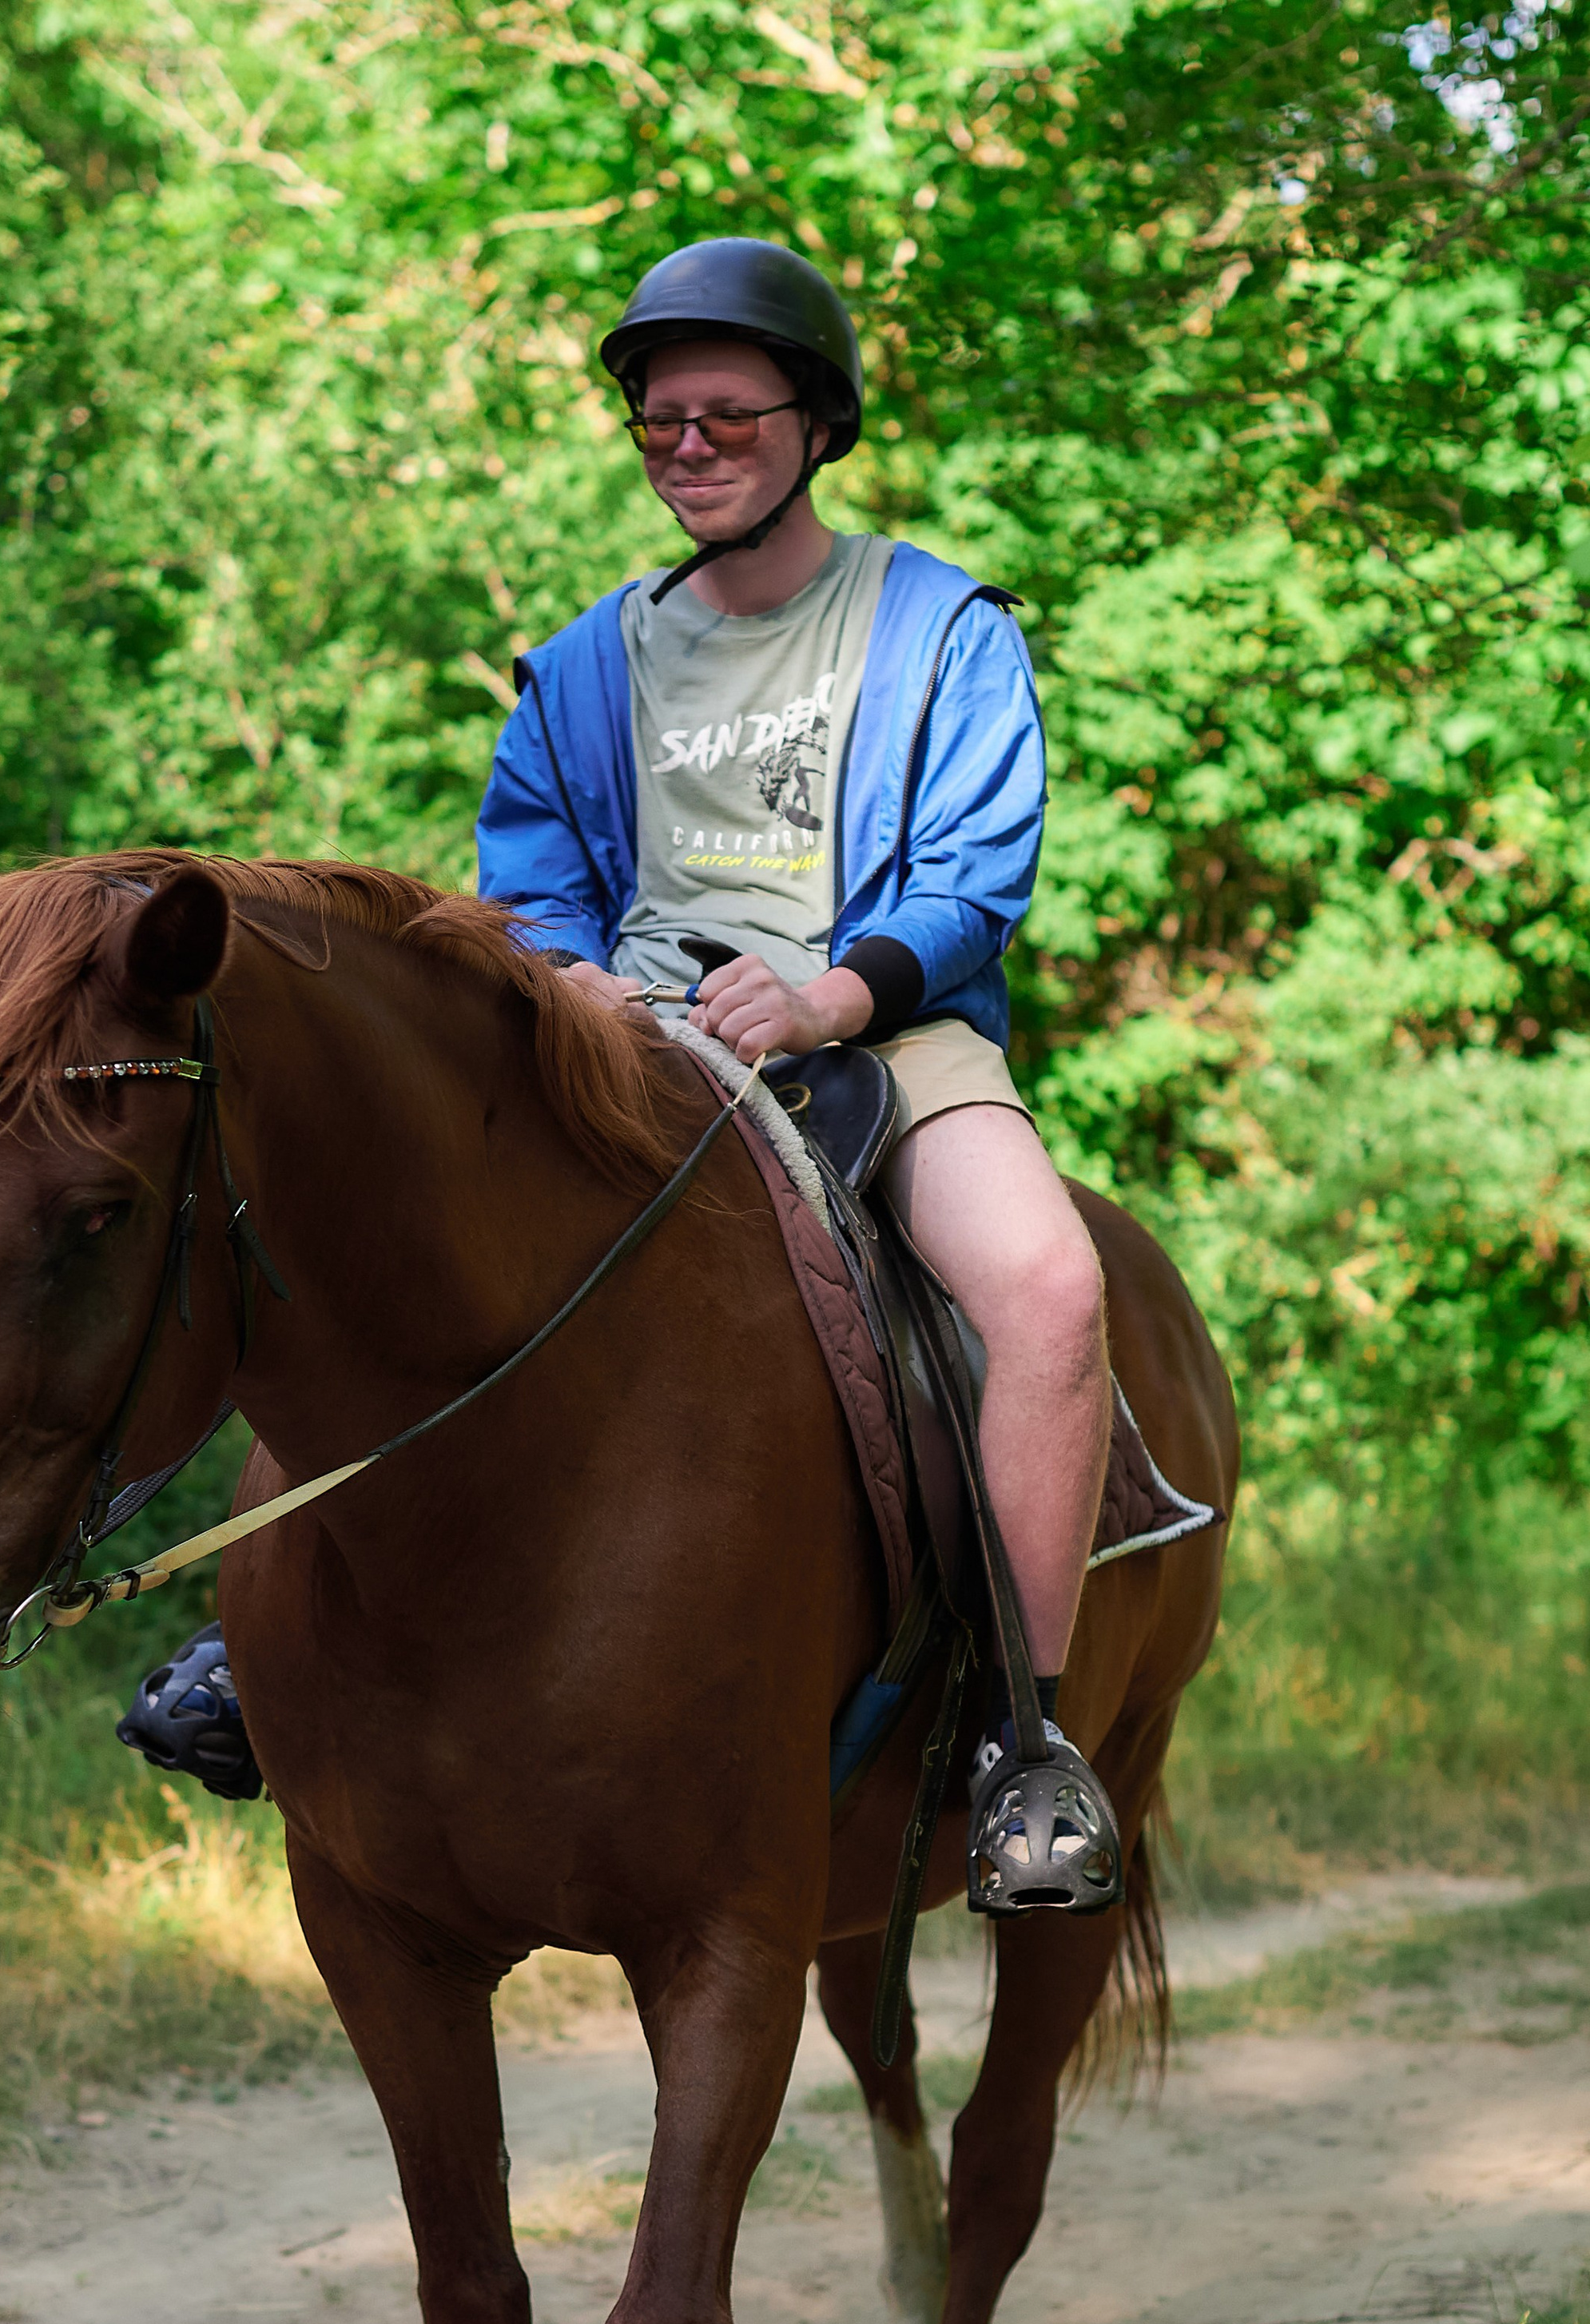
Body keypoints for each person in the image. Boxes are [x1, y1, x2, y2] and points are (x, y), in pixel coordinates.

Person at [123, 237, 1119, 1911]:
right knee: (372, 1243)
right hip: (617, 1048)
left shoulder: (938, 625)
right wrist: (568, 979)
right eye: (660, 423)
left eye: (726, 414)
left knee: (1049, 1293)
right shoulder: (582, 664)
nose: (689, 446)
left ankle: (1025, 1738)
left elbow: (973, 868)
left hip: (875, 1028)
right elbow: (527, 879)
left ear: (814, 422)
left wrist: (824, 994)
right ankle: (257, 1638)